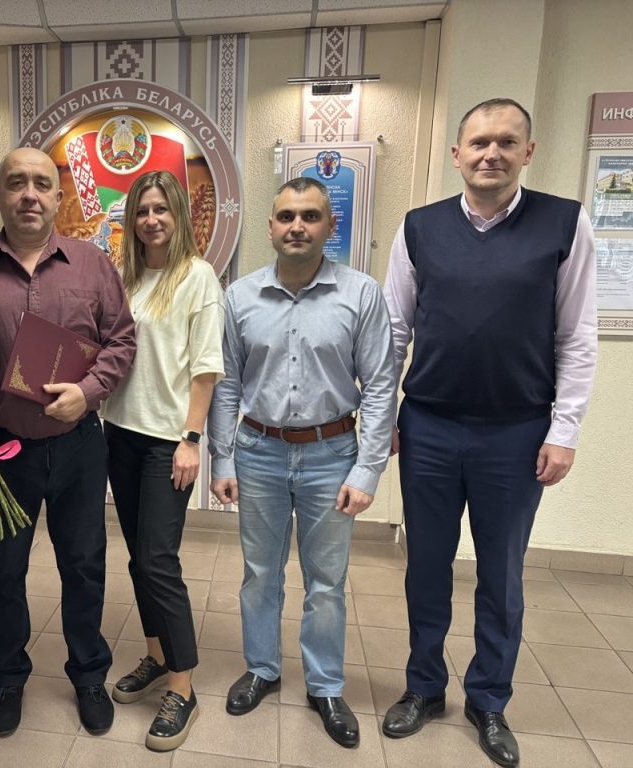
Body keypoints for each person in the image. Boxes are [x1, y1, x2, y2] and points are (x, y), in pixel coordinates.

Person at [380, 98, 598, 768]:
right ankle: (424, 687)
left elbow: (577, 336)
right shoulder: (420, 228)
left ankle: (489, 699)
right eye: (478, 143)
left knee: (501, 574)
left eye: (506, 142)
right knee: (427, 567)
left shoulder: (564, 223)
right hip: (429, 425)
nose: (491, 154)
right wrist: (382, 416)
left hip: (516, 432)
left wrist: (564, 430)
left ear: (528, 151)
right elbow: (393, 330)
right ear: (457, 154)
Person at [0, 148, 136, 738]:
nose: (29, 194)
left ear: (58, 196)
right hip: (3, 450)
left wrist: (89, 391)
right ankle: (7, 678)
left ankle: (89, 674)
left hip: (78, 444)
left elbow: (121, 341)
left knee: (84, 566)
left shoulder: (92, 264)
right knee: (4, 571)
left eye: (42, 184)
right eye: (17, 183)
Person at [209, 177, 396, 749]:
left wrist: (367, 470)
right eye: (287, 216)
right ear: (270, 227)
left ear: (329, 226)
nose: (297, 226)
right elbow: (226, 384)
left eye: (310, 216)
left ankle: (325, 685)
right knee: (259, 573)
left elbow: (381, 384)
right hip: (258, 452)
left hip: (331, 455)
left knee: (326, 583)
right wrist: (223, 458)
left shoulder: (361, 294)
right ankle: (262, 669)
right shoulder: (241, 297)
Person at [100, 170, 224, 751]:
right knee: (138, 559)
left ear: (179, 215)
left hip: (167, 442)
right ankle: (155, 657)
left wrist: (191, 438)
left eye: (161, 209)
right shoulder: (124, 278)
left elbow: (205, 366)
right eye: (142, 210)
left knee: (158, 561)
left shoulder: (197, 277)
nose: (151, 220)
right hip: (119, 433)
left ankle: (182, 687)